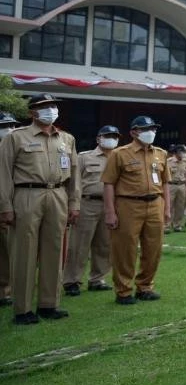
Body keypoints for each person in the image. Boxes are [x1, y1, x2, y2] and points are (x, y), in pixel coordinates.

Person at [0, 94, 80, 324]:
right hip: (27, 194)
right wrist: (5, 206)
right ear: (31, 112)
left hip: (58, 193)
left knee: (54, 250)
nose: (51, 110)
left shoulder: (67, 139)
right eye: (44, 107)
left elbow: (74, 175)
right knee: (23, 253)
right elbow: (3, 173)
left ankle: (49, 303)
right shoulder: (16, 138)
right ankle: (22, 309)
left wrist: (74, 203)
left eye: (53, 106)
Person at [103, 116, 170, 305]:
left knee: (153, 249)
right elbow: (108, 184)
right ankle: (123, 290)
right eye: (146, 129)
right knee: (125, 249)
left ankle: (145, 287)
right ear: (134, 132)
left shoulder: (160, 153)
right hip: (128, 205)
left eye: (153, 129)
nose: (151, 132)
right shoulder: (119, 154)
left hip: (155, 203)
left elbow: (165, 183)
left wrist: (167, 209)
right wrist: (110, 212)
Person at [63, 125, 119, 296]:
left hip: (111, 205)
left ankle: (97, 279)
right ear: (98, 139)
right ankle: (72, 280)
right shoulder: (84, 157)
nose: (111, 139)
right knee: (79, 244)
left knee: (105, 244)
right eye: (107, 135)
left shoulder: (119, 157)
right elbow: (74, 182)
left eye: (114, 136)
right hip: (87, 203)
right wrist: (73, 205)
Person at [0, 111, 20, 307]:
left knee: (7, 253)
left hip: (8, 207)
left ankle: (6, 291)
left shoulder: (17, 151)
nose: (9, 130)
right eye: (4, 126)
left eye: (12, 126)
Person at [166, 144, 186, 233]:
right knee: (169, 205)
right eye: (181, 152)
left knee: (180, 206)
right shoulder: (169, 161)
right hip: (171, 185)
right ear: (176, 153)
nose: (182, 154)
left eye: (183, 152)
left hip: (182, 185)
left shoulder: (185, 161)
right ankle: (167, 225)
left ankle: (177, 225)